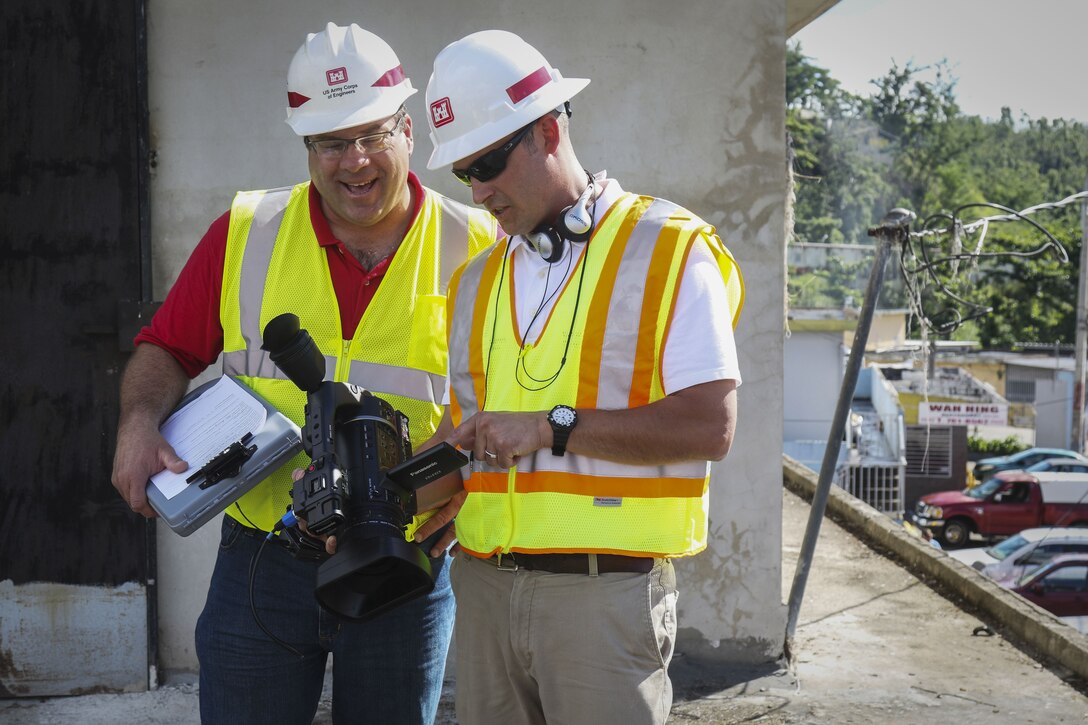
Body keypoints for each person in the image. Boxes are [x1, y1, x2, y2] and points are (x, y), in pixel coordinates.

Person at [110, 22, 497, 725]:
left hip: (403, 560)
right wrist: (138, 421)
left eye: (373, 134)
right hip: (265, 560)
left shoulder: (479, 245)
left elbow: (514, 399)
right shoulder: (246, 230)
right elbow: (164, 348)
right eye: (330, 141)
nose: (354, 161)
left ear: (408, 130)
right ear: (306, 148)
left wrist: (469, 490)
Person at [418, 29, 745, 725]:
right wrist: (374, 489)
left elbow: (709, 426)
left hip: (604, 598)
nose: (478, 191)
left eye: (489, 163)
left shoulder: (671, 247)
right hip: (481, 588)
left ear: (544, 131)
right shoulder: (475, 280)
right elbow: (465, 437)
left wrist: (548, 428)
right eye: (462, 173)